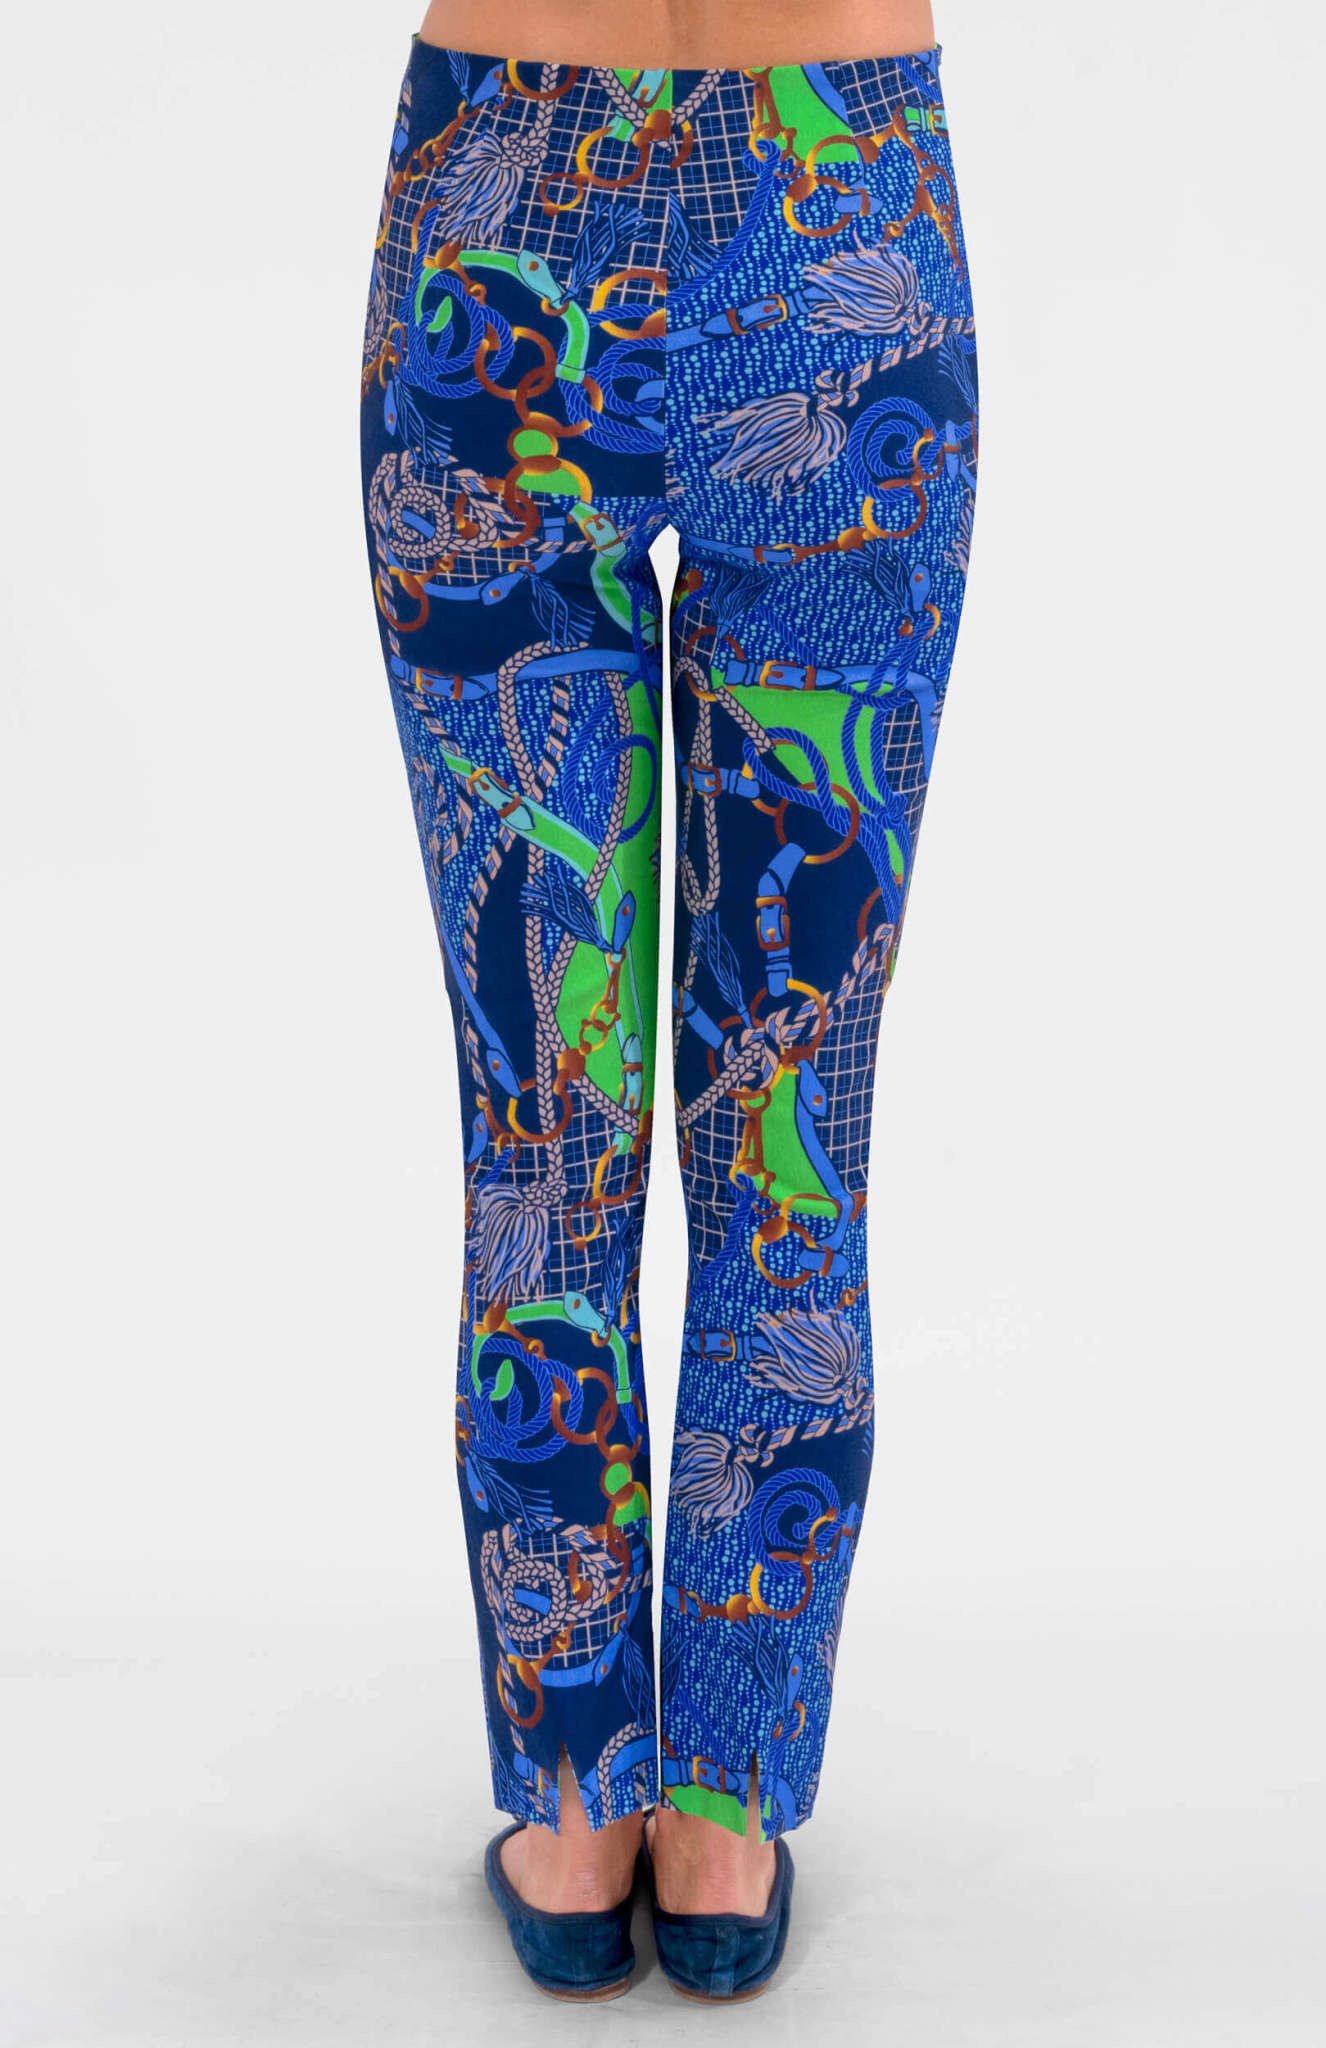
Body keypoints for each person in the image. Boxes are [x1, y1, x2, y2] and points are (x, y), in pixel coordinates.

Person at [358, 0, 977, 2001]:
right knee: (791, 1115)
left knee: (549, 1118)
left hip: (505, 196)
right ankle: (720, 1816)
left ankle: (577, 1811)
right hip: (839, 185)